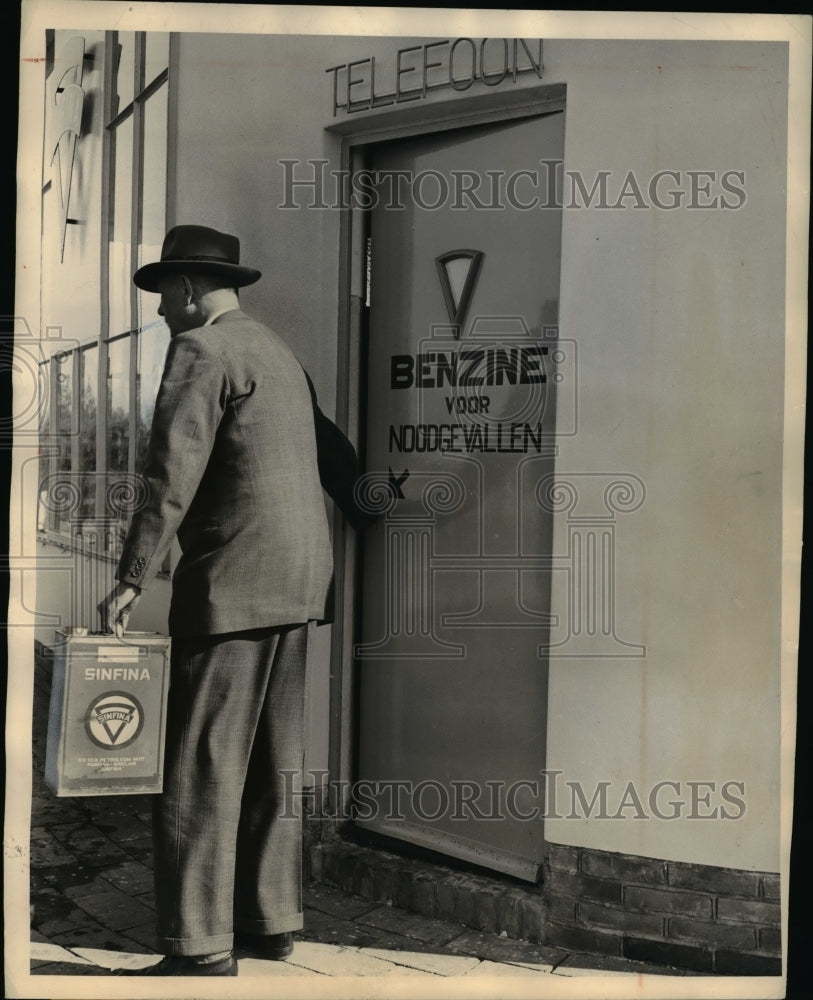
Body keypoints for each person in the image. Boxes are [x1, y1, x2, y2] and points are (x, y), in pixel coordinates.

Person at [98, 224, 368, 976]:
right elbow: (329, 450)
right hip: (297, 581)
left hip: (233, 583)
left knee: (198, 765)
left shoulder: (201, 350)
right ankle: (268, 920)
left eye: (160, 297)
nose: (158, 312)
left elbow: (169, 475)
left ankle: (199, 943)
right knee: (276, 762)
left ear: (186, 289)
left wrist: (129, 577)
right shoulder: (275, 349)